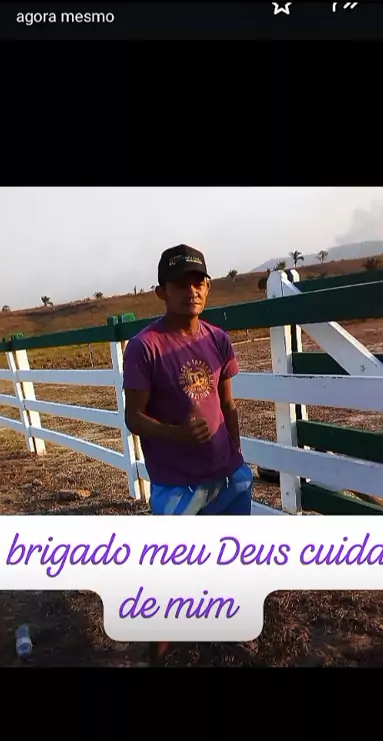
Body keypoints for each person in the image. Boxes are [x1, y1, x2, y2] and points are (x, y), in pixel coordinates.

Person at [123, 243, 253, 664]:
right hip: (178, 484)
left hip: (228, 476)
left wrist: (237, 456)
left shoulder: (218, 339)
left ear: (208, 287)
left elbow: (227, 403)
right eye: (180, 284)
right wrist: (176, 434)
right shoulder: (144, 347)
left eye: (198, 282)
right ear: (161, 291)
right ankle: (159, 649)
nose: (191, 291)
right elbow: (133, 417)